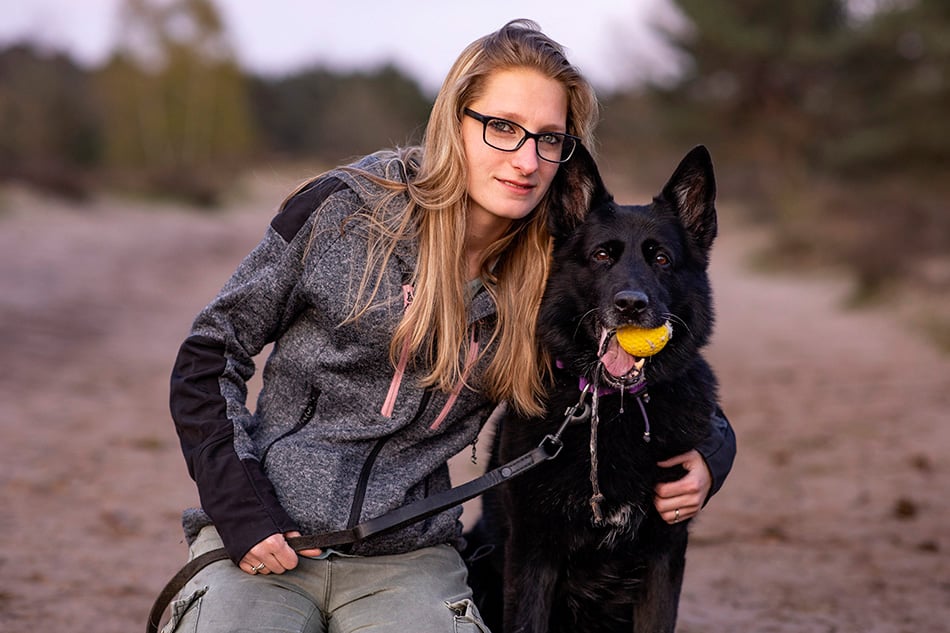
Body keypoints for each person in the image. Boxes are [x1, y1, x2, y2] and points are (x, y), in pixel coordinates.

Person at [164, 19, 736, 633]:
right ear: (454, 121)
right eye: (502, 127)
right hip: (267, 539)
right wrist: (241, 506)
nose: (525, 160)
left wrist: (714, 450)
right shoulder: (344, 212)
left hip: (410, 559)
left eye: (548, 138)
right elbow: (208, 354)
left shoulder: (561, 265)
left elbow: (648, 373)